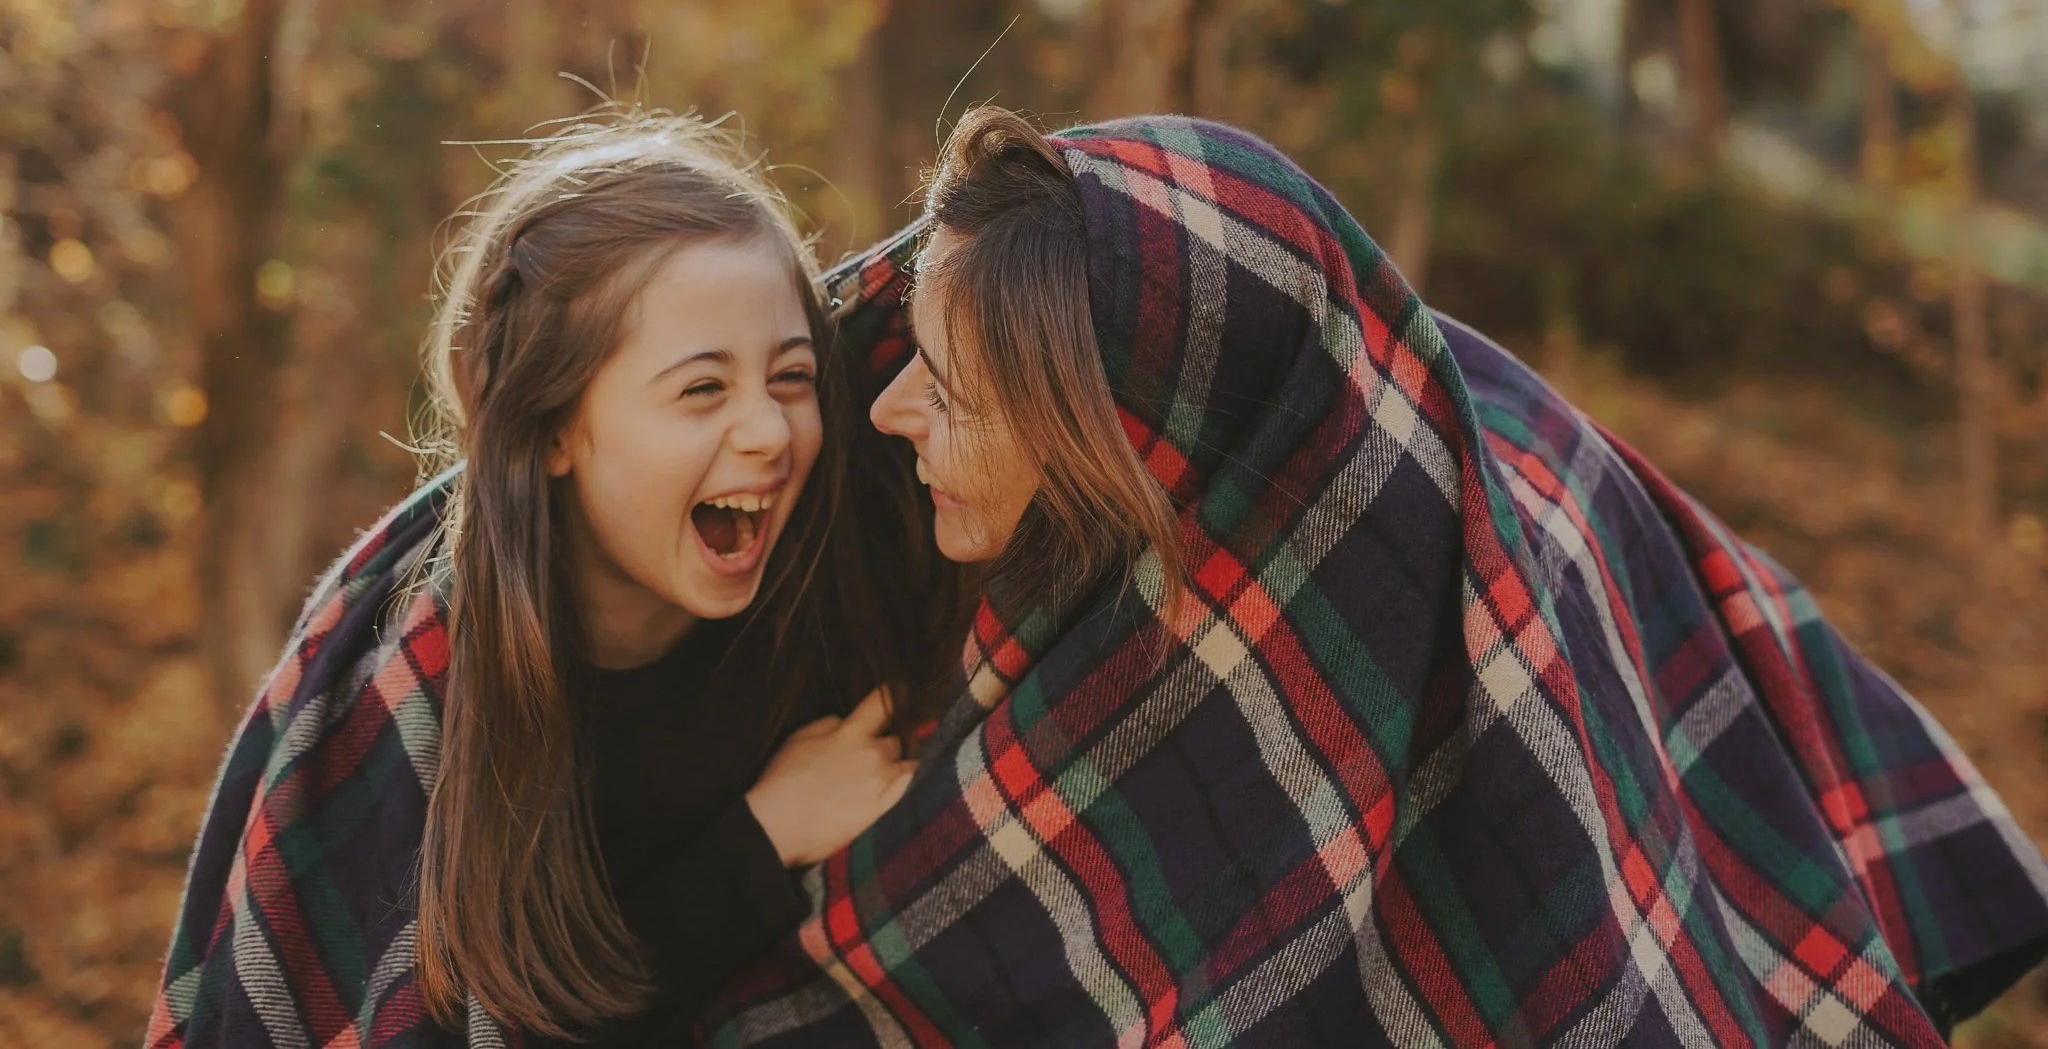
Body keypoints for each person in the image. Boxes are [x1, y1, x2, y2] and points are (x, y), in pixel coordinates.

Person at [708, 109, 2048, 1046]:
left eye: (954, 391)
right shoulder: (1069, 564)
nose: (885, 408)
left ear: (1129, 433)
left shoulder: (1470, 559)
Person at [146, 110, 957, 1049]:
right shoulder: (422, 707)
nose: (770, 432)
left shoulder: (858, 549)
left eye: (791, 376)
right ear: (553, 430)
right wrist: (765, 836)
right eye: (702, 388)